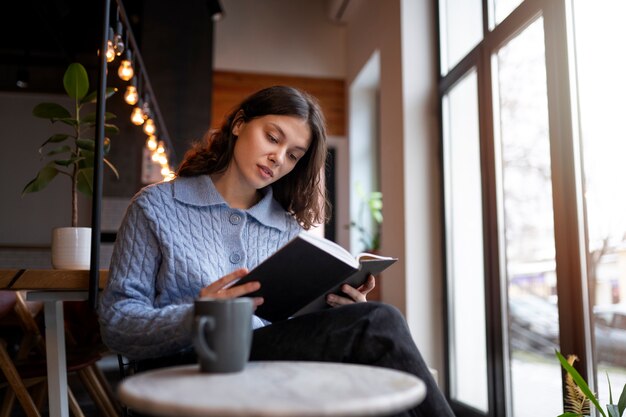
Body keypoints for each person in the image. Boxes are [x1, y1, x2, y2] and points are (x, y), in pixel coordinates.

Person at [98, 85, 455, 417]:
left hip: (265, 367)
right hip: (187, 367)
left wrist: (338, 311)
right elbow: (115, 324)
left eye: (293, 155)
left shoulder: (287, 230)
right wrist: (198, 316)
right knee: (381, 324)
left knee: (371, 329)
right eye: (272, 137)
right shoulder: (157, 207)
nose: (278, 158)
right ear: (239, 124)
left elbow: (289, 327)